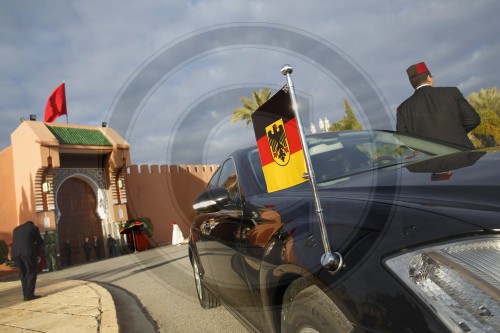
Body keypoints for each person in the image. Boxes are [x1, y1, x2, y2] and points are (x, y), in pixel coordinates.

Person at [396, 62, 480, 148]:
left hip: (430, 159)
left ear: (412, 84)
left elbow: (404, 139)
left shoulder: (402, 109)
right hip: (463, 154)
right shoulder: (452, 92)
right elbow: (473, 120)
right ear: (429, 78)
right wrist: (455, 133)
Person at [11, 221, 44, 301]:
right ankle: (29, 295)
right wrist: (35, 251)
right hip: (27, 252)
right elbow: (40, 242)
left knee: (24, 274)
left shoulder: (16, 229)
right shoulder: (34, 228)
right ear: (32, 224)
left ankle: (26, 295)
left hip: (15, 254)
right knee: (31, 272)